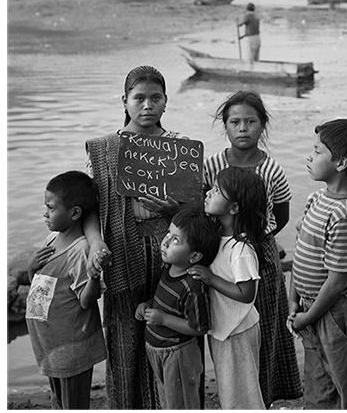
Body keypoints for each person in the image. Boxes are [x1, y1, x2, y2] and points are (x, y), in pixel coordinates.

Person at [84, 65, 189, 409]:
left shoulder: (179, 149)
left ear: (165, 102)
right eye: (139, 98)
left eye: (155, 98)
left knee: (170, 336)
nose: (147, 105)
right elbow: (88, 208)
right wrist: (97, 242)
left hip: (168, 255)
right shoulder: (104, 149)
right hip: (122, 254)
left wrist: (173, 210)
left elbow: (196, 214)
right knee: (125, 338)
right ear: (125, 101)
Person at [203, 90, 302, 406]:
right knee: (228, 324)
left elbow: (281, 215)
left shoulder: (272, 169)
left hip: (262, 254)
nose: (242, 128)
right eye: (235, 122)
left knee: (265, 326)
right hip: (221, 253)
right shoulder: (212, 165)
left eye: (250, 121)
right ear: (226, 126)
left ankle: (264, 394)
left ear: (263, 125)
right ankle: (237, 391)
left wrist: (254, 238)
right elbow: (205, 206)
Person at [289, 118, 347, 408]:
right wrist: (294, 301)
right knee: (318, 384)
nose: (309, 157)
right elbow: (301, 251)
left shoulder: (342, 215)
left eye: (317, 152)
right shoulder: (316, 200)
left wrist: (308, 316)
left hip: (335, 314)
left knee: (345, 388)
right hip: (312, 307)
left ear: (340, 163)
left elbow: (338, 280)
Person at [25, 171, 106, 409]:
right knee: (58, 401)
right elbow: (40, 284)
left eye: (51, 208)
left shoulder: (80, 251)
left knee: (73, 404)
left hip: (72, 347)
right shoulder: (52, 239)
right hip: (52, 345)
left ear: (74, 213)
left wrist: (93, 277)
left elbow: (86, 301)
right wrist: (31, 267)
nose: (45, 213)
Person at [189, 167, 267, 408]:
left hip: (238, 330)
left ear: (234, 208)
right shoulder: (218, 235)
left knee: (243, 394)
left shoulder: (240, 249)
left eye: (215, 190)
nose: (208, 194)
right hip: (225, 327)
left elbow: (247, 294)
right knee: (230, 390)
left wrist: (210, 278)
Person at [135, 207, 218, 409]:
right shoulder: (168, 268)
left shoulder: (192, 286)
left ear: (195, 256)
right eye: (168, 234)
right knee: (167, 401)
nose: (164, 242)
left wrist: (163, 319)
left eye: (175, 240)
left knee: (181, 403)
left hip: (178, 354)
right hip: (158, 350)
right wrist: (148, 305)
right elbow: (166, 301)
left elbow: (198, 328)